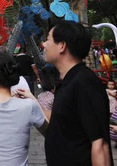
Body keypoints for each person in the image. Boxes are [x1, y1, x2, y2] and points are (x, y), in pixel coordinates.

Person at [43, 20, 113, 166]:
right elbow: (62, 125)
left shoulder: (85, 83)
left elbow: (100, 144)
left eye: (48, 39)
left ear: (62, 46)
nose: (44, 44)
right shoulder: (67, 80)